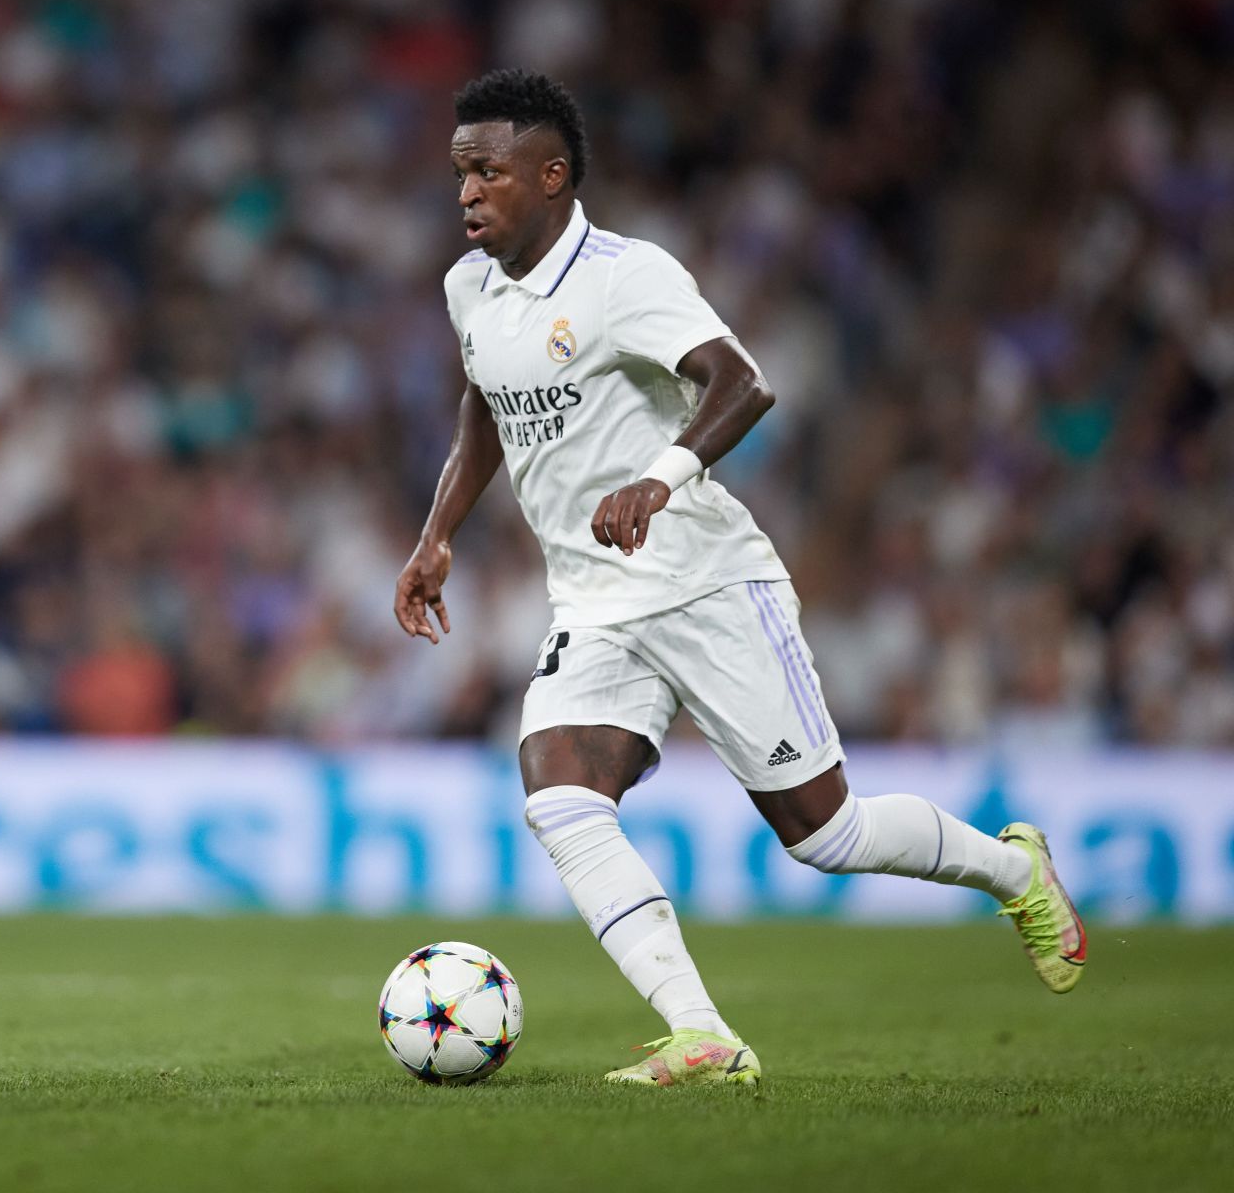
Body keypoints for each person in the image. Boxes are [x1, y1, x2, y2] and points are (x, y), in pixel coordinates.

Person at [393, 69, 1087, 1089]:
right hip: (595, 600)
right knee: (559, 793)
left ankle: (1014, 869)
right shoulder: (471, 287)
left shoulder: (627, 277)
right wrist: (437, 531)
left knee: (827, 833)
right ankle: (702, 1034)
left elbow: (743, 381)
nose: (466, 192)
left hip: (708, 583)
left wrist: (660, 479)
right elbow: (486, 399)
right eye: (459, 172)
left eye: (488, 172)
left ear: (551, 176)